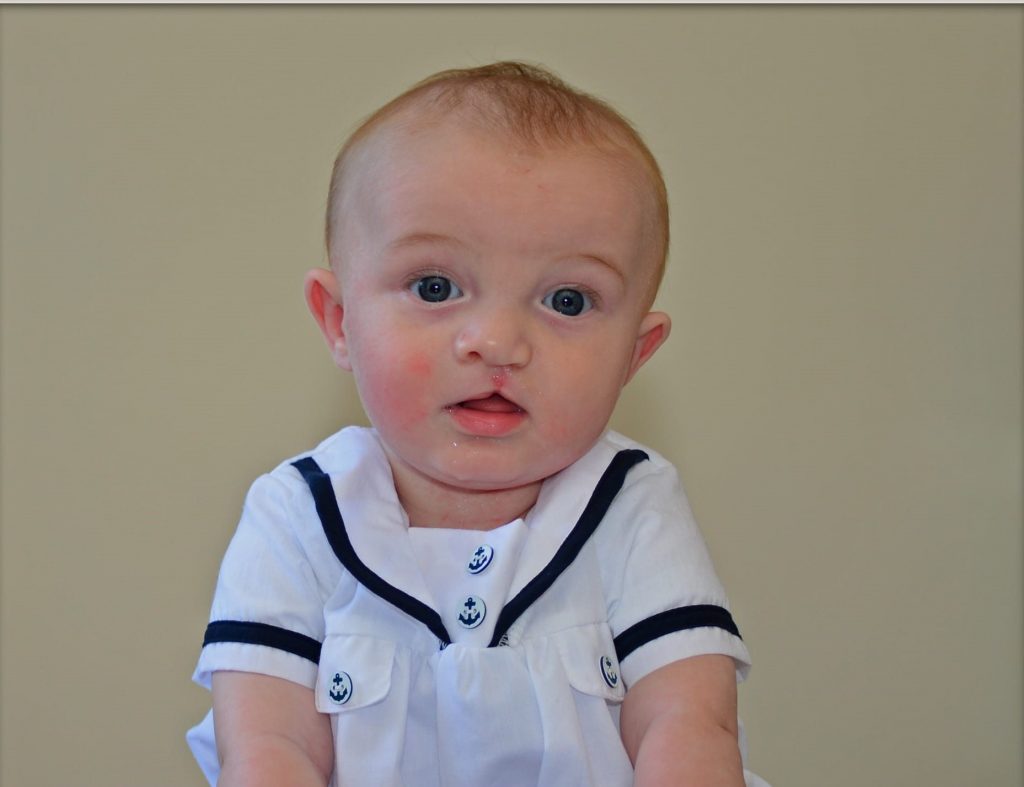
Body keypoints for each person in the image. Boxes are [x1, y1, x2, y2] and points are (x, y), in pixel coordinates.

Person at [187, 61, 769, 787]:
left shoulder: (632, 506)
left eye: (567, 300)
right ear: (340, 322)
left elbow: (688, 723)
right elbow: (269, 748)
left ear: (635, 353)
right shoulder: (297, 516)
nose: (497, 341)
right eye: (436, 287)